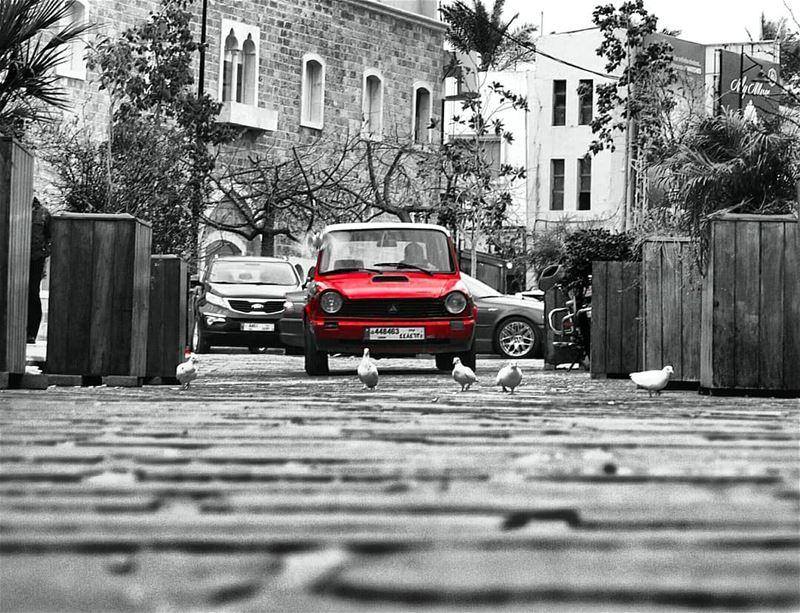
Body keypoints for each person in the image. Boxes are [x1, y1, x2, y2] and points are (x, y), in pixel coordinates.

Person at [27, 197, 51, 344]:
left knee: (32, 293)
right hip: (17, 257)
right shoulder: (15, 208)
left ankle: (31, 332)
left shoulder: (43, 213)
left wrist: (44, 253)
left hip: (36, 258)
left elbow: (51, 237)